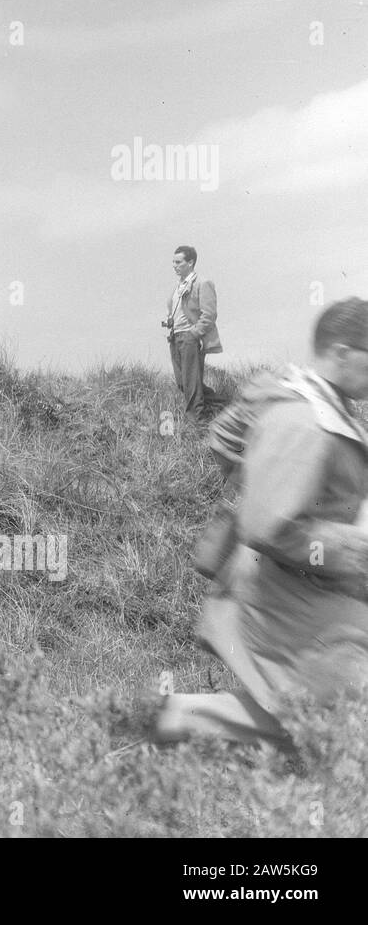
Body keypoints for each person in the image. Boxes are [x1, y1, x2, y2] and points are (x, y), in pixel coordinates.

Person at [155, 298, 368, 748]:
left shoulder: (326, 409)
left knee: (303, 719)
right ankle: (162, 722)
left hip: (302, 589)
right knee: (341, 709)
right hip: (283, 599)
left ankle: (168, 721)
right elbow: (271, 526)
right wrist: (355, 548)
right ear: (344, 353)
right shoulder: (303, 421)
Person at [161, 245, 224, 422]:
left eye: (178, 262)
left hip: (190, 337)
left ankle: (196, 421)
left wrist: (194, 334)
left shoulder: (202, 283)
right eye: (173, 262)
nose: (174, 265)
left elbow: (209, 314)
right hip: (175, 337)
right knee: (183, 383)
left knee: (191, 382)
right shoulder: (177, 287)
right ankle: (225, 406)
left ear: (190, 262)